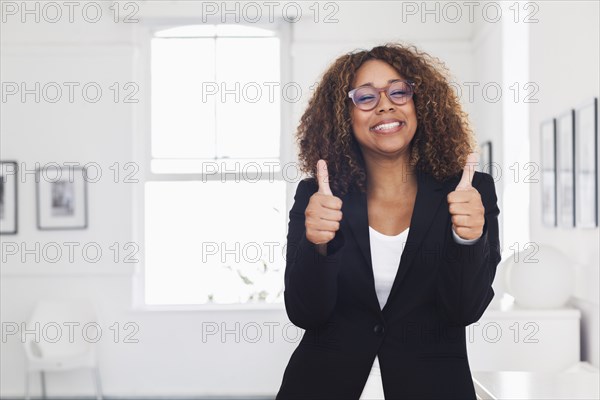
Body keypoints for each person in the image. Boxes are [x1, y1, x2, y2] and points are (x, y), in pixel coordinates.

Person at [275, 43, 501, 399]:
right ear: (343, 116)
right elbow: (306, 313)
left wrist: (468, 240)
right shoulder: (319, 196)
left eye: (399, 91)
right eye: (365, 97)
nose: (385, 104)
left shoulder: (470, 192)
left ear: (420, 104)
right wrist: (318, 245)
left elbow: (463, 309)